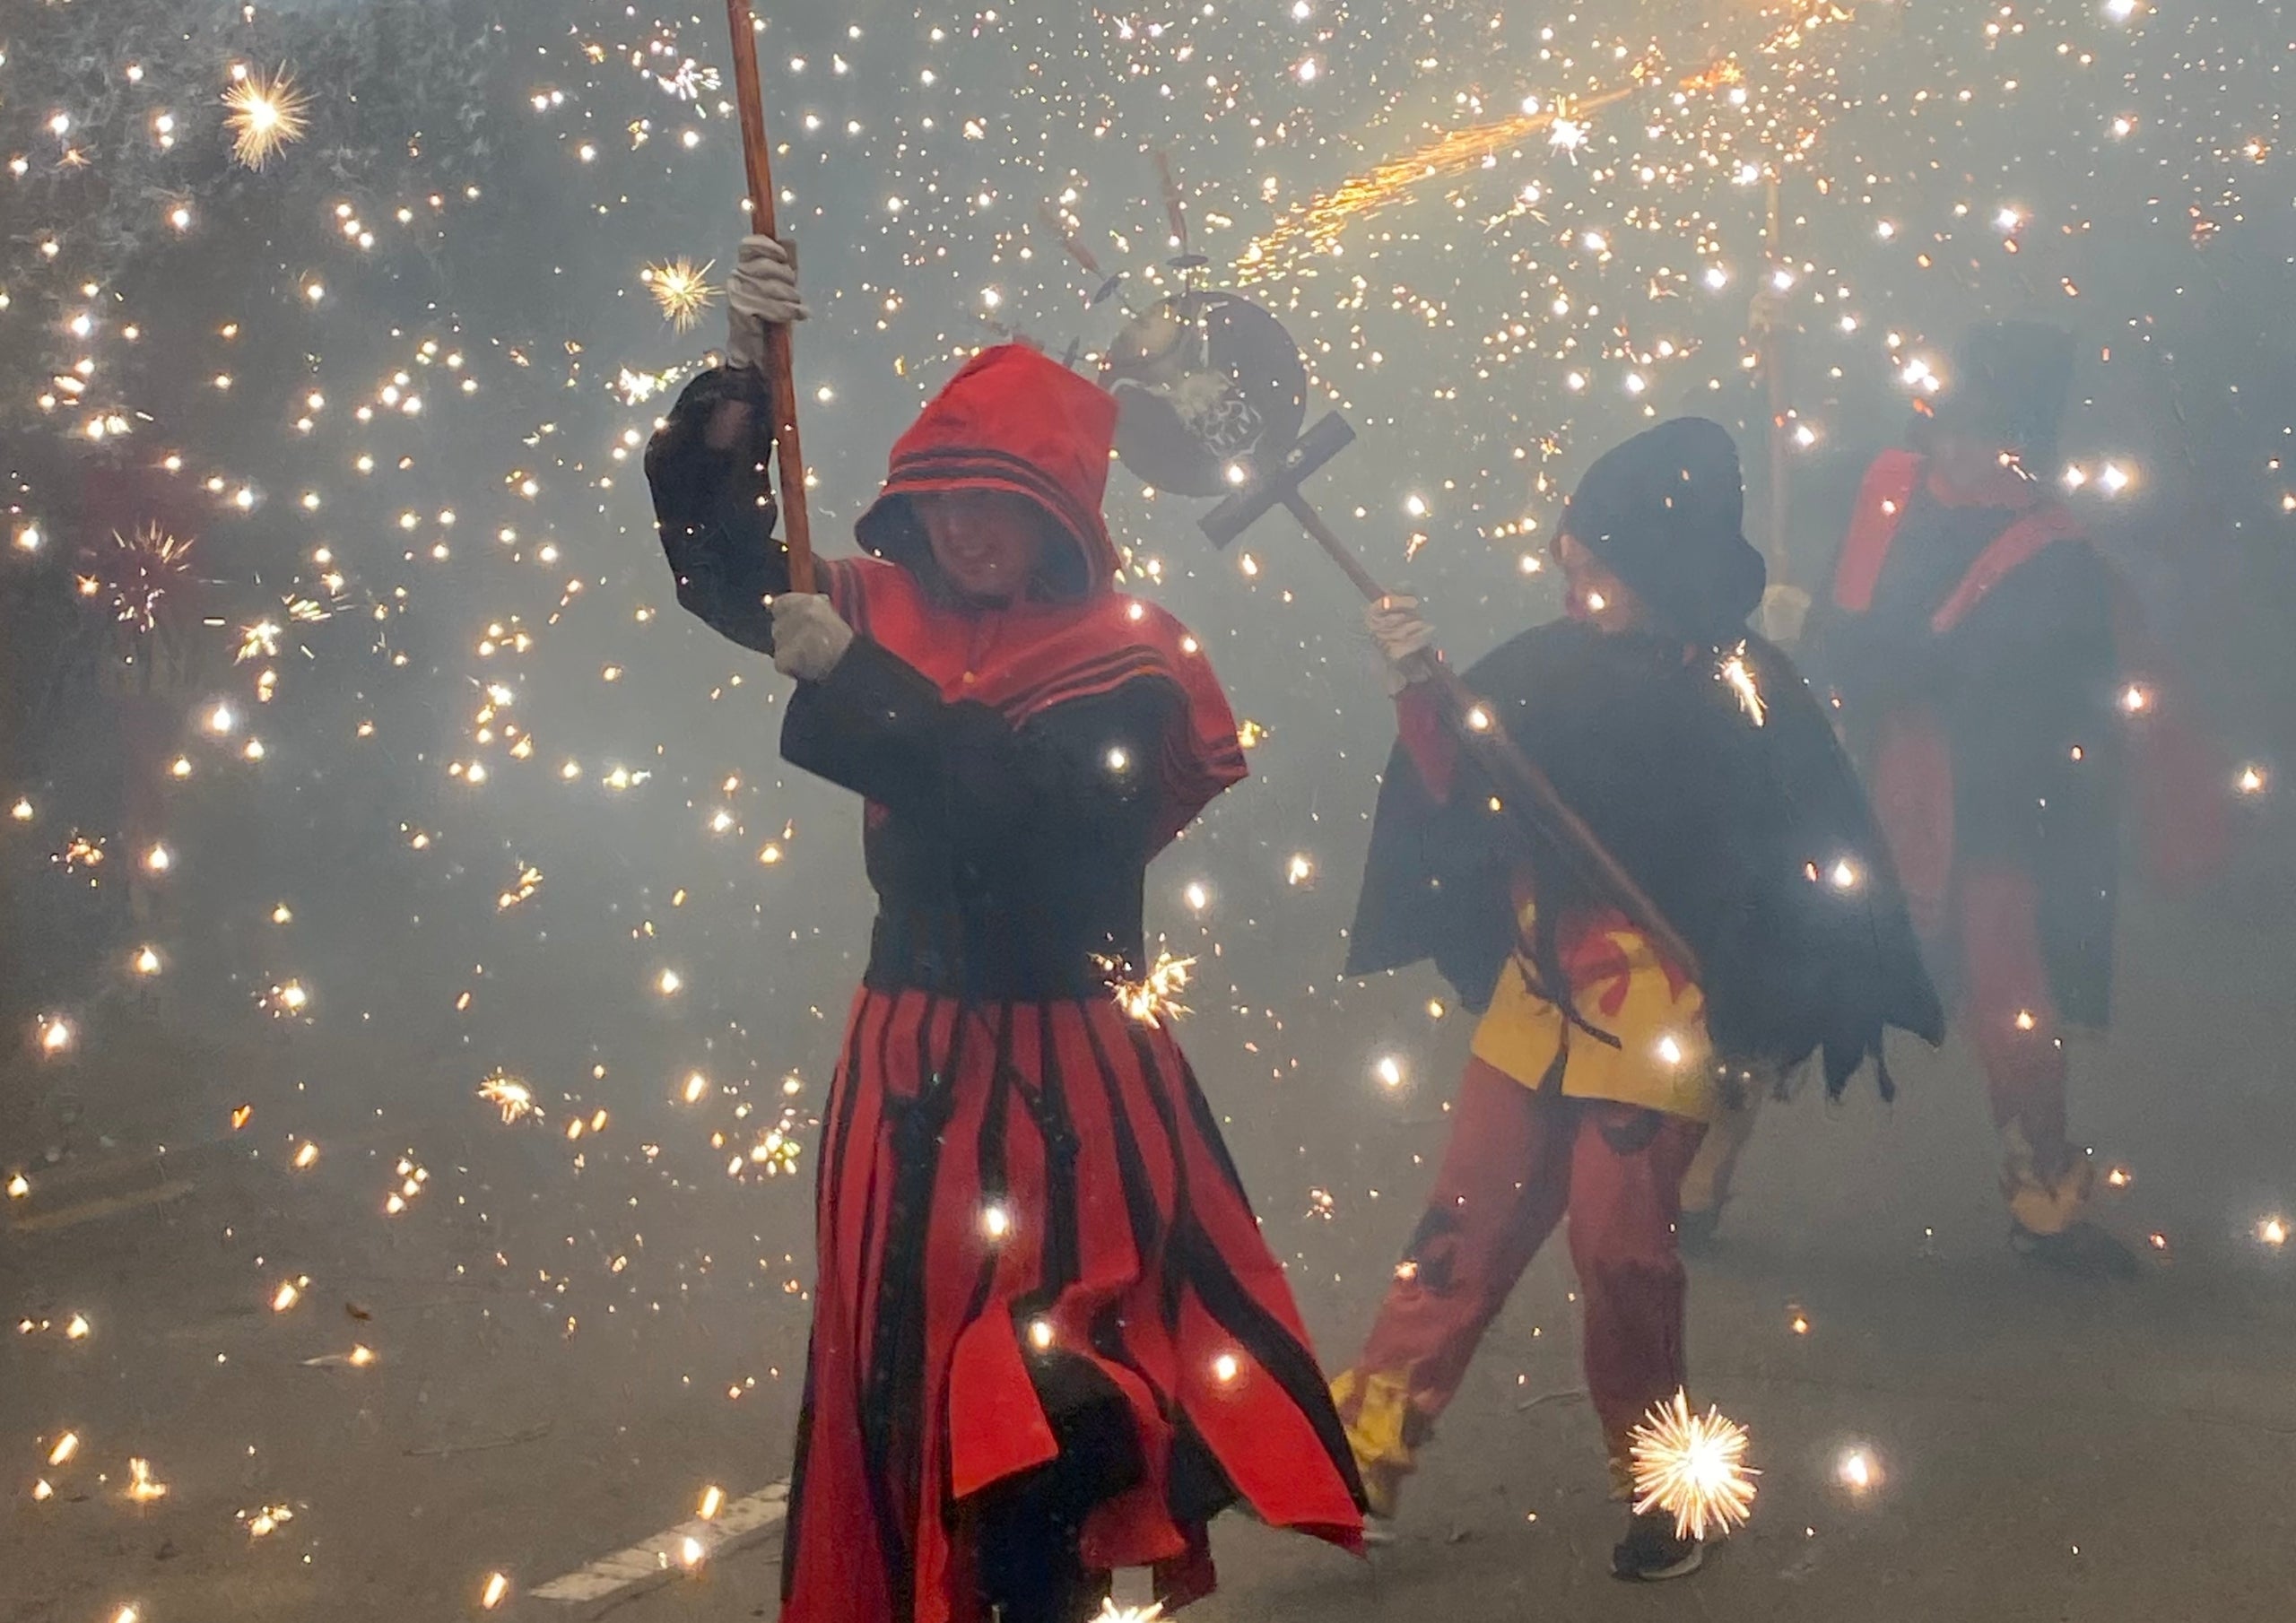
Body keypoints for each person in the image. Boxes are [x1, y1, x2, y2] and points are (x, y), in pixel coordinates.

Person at [645, 237, 1363, 1623]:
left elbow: (1040, 828)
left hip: (1074, 1078)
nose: (972, 528)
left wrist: (864, 686)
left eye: (1007, 501)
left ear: (1067, 515)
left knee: (1056, 1389)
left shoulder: (1135, 653)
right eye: (949, 494)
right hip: (902, 1062)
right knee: (909, 1378)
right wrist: (740, 378)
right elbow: (715, 562)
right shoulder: (877, 599)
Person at [1330, 418, 1939, 1579]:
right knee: (1461, 1229)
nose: (1567, 561)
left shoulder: (1746, 687)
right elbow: (1458, 777)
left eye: (1593, 551)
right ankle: (1360, 1454)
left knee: (1623, 1255)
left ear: (1654, 563)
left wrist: (1765, 984)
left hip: (1660, 1017)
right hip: (1536, 997)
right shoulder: (1542, 661)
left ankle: (1665, 1480)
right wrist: (1419, 687)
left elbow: (1800, 844)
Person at [1686, 321, 2196, 1274]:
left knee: (2010, 995)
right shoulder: (1885, 485)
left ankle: (2045, 1190)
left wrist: (1843, 643)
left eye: (1980, 428)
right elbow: (1845, 617)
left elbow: (1980, 681)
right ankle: (1698, 1172)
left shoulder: (2053, 550)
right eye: (1946, 422)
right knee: (1777, 964)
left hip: (1978, 801)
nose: (1953, 446)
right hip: (1852, 773)